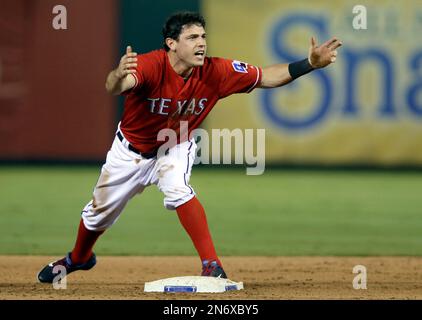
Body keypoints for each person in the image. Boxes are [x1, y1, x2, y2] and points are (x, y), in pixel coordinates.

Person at [37, 11, 342, 283]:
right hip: (129, 151)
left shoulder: (215, 71)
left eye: (203, 36)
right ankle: (78, 258)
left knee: (178, 189)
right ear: (171, 43)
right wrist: (118, 74)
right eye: (192, 37)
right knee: (96, 215)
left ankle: (211, 264)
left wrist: (309, 65)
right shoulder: (149, 65)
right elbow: (117, 86)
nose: (201, 43)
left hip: (175, 145)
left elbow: (266, 77)